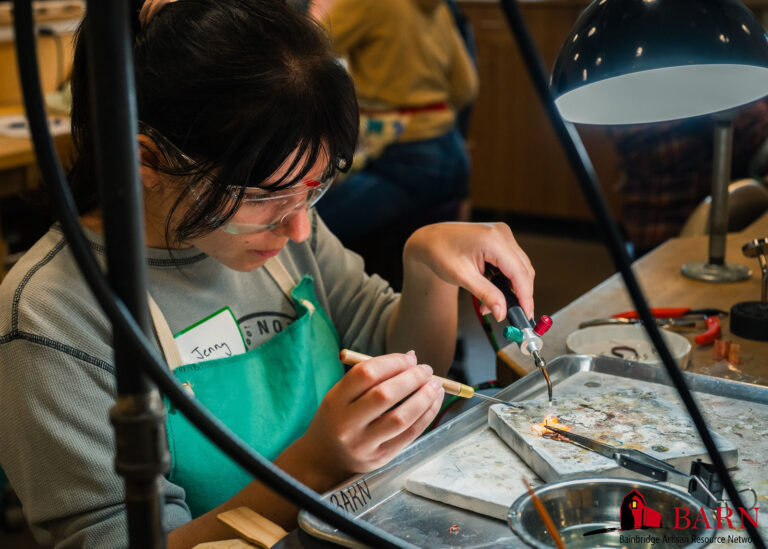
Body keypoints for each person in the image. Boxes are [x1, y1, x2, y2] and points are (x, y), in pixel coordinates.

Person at [0, 1, 534, 548]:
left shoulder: (281, 224)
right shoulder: (51, 315)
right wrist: (314, 466)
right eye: (266, 196)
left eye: (317, 187)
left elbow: (401, 355)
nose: (299, 229)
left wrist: (426, 267)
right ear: (146, 159)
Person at [310, 0, 479, 286]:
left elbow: (305, 47)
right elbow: (466, 87)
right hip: (451, 155)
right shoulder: (439, 8)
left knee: (305, 231)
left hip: (402, 159)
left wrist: (318, 13)